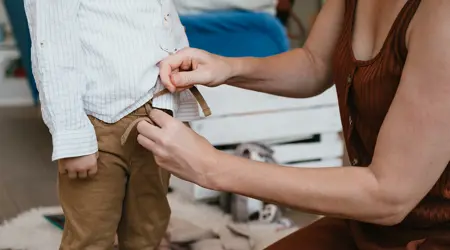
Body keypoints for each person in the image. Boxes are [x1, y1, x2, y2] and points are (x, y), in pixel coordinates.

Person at [136, 0, 450, 249]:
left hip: (430, 232)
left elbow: (388, 195)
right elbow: (314, 63)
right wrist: (228, 67)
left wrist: (212, 167)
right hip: (367, 224)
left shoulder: (441, 16)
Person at [23, 0, 210, 249]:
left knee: (149, 225)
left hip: (156, 112)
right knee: (91, 230)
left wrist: (178, 92)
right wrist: (72, 135)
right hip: (97, 123)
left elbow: (164, 18)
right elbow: (54, 47)